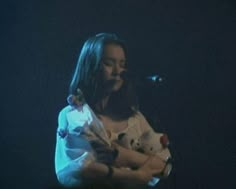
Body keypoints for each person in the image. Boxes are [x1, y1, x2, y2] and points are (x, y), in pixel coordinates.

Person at [54, 33, 172, 189]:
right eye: (109, 63)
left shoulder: (134, 117)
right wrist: (135, 176)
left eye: (122, 64)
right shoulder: (73, 114)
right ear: (91, 67)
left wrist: (123, 155)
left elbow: (165, 166)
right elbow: (81, 168)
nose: (118, 71)